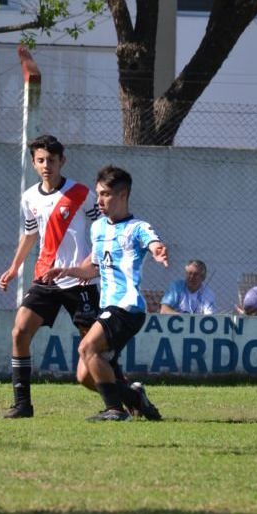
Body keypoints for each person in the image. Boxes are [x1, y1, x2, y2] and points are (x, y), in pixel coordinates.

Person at [44, 165, 168, 421]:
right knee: (86, 375)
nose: (99, 200)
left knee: (87, 348)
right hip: (108, 307)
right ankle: (135, 399)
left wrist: (158, 250)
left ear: (123, 196)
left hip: (127, 307)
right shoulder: (98, 228)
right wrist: (66, 271)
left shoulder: (137, 228)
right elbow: (94, 267)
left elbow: (153, 242)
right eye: (98, 194)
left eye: (105, 195)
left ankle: (115, 411)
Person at [0, 134, 102, 419]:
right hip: (46, 278)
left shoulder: (81, 194)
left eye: (51, 161)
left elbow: (102, 230)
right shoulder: (29, 197)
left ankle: (124, 395)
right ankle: (22, 404)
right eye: (41, 160)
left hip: (80, 280)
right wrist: (14, 267)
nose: (46, 166)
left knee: (93, 348)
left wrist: (89, 264)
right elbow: (31, 234)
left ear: (62, 161)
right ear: (33, 163)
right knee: (19, 330)